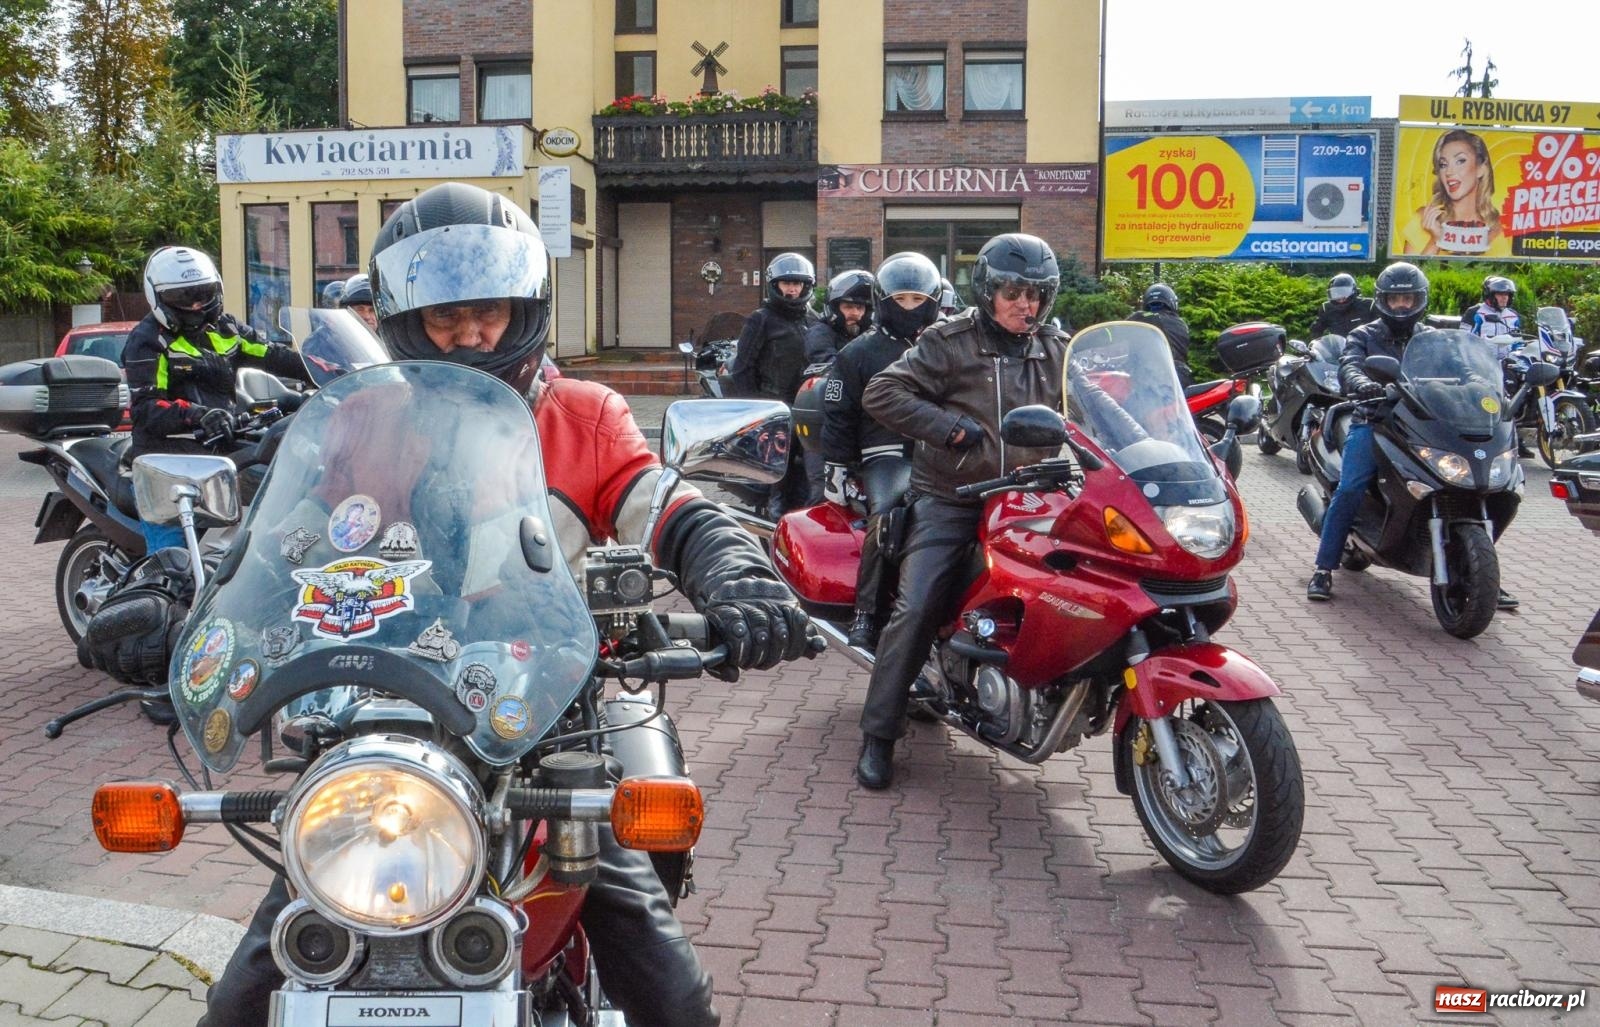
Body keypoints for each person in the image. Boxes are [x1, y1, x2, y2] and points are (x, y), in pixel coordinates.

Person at [195, 182, 816, 1027]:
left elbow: (663, 502)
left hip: (544, 720)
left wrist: (731, 568)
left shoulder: (586, 414)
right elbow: (289, 537)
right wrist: (199, 604)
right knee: (240, 1000)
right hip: (382, 720)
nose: (472, 334)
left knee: (672, 998)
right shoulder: (364, 419)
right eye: (448, 317)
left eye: (488, 310)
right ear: (405, 319)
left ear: (525, 308)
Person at [854, 233, 1069, 789]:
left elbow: (1101, 402)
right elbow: (882, 393)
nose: (1028, 305)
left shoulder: (1056, 348)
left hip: (1031, 497)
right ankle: (879, 735)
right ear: (988, 291)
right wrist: (949, 428)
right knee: (918, 605)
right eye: (1015, 293)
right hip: (954, 499)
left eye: (1038, 294)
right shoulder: (949, 343)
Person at [1303, 261, 1518, 609]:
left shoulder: (1431, 338)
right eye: (1395, 299)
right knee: (1352, 487)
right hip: (1374, 419)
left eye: (1408, 299)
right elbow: (1350, 365)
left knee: (1488, 487)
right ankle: (1323, 568)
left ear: (1420, 299)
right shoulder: (1364, 334)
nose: (1402, 306)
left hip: (1420, 422)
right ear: (1382, 301)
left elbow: (1460, 366)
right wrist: (1362, 384)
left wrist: (1479, 383)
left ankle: (1482, 577)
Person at [123, 245, 309, 552]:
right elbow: (145, 407)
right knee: (175, 560)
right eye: (182, 297)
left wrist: (326, 369)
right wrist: (198, 415)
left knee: (286, 485)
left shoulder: (226, 329)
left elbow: (275, 356)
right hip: (167, 459)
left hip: (219, 450)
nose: (196, 304)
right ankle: (159, 593)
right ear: (157, 297)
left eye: (203, 293)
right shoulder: (148, 340)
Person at [820, 252, 942, 651]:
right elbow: (839, 414)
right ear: (884, 300)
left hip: (941, 452)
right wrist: (836, 466)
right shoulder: (857, 353)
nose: (910, 308)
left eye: (918, 300)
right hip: (885, 452)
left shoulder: (948, 347)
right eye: (902, 299)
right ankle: (866, 611)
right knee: (888, 513)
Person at [729, 252, 821, 516]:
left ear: (807, 285)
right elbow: (743, 369)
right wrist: (758, 412)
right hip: (775, 407)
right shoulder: (762, 319)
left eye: (798, 283)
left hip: (809, 405)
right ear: (775, 284)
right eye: (786, 283)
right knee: (781, 472)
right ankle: (774, 512)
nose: (792, 288)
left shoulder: (813, 319)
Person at [1397, 128, 1509, 258]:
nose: (1449, 172)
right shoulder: (1423, 219)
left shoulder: (1500, 227)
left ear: (1481, 169)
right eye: (1443, 164)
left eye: (1460, 161)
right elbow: (1408, 275)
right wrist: (1435, 240)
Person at [804, 269, 875, 366]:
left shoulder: (870, 335)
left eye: (860, 308)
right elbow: (827, 363)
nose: (855, 313)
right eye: (848, 307)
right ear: (835, 309)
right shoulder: (820, 333)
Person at [1128, 282, 1193, 387]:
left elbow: (1117, 334)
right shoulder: (1180, 323)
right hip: (1179, 377)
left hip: (1152, 378)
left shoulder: (1140, 318)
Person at [1463, 274, 1523, 359]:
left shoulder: (1514, 315)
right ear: (1489, 295)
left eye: (1507, 294)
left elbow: (1519, 341)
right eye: (1500, 294)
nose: (1504, 297)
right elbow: (1463, 340)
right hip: (1482, 363)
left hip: (1508, 363)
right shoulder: (1474, 312)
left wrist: (1516, 356)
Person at [1310, 273, 1377, 338]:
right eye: (1336, 293)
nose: (1340, 298)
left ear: (1354, 291)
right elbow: (1315, 331)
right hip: (1339, 348)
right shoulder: (1326, 308)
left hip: (1364, 347)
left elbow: (1380, 329)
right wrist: (1317, 345)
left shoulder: (1369, 305)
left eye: (1344, 292)